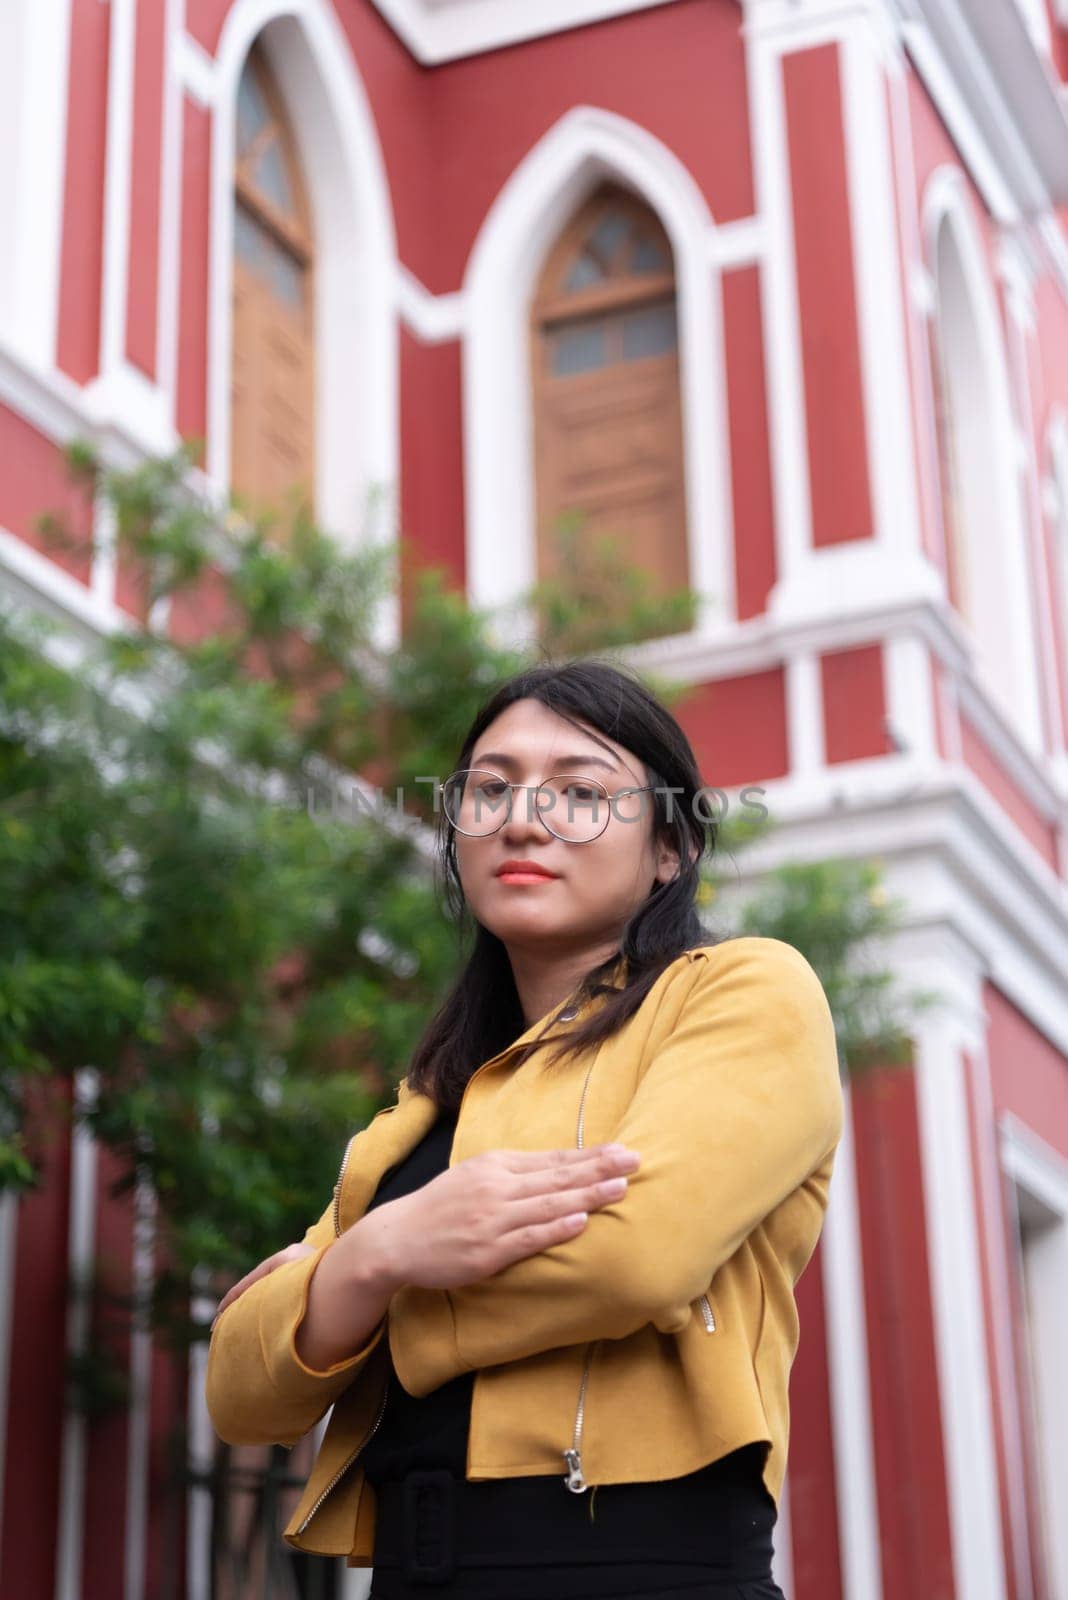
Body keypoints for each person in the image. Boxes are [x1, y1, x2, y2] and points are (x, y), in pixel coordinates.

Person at [206, 657, 844, 1599]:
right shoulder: (428, 1100)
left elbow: (638, 1261)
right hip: (415, 1573)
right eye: (489, 788)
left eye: (582, 791)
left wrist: (357, 1283)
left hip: (637, 1571)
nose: (520, 818)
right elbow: (240, 1390)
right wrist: (385, 1247)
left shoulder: (745, 992)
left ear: (669, 848)